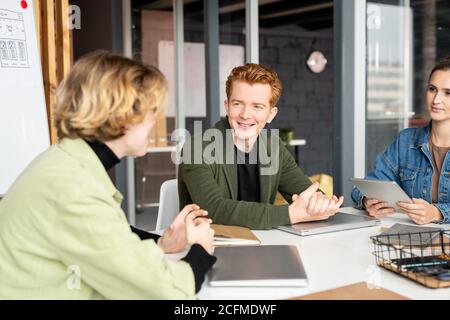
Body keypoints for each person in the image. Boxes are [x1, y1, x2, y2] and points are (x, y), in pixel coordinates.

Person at [0, 51, 216, 299]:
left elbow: (104, 240)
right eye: (151, 111)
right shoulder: (73, 189)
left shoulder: (62, 163)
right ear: (123, 116)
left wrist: (162, 243)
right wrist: (201, 249)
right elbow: (165, 292)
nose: (155, 121)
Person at [178, 63, 344, 230]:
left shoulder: (273, 148)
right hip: (210, 245)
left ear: (271, 114)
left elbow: (307, 193)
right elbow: (214, 210)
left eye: (257, 106)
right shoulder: (196, 148)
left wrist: (319, 203)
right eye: (237, 104)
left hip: (263, 243)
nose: (245, 114)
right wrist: (291, 214)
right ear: (227, 106)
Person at [351, 56, 450, 225]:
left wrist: (436, 213)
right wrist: (368, 200)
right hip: (410, 238)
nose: (436, 100)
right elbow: (367, 186)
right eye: (432, 89)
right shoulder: (406, 140)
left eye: (448, 93)